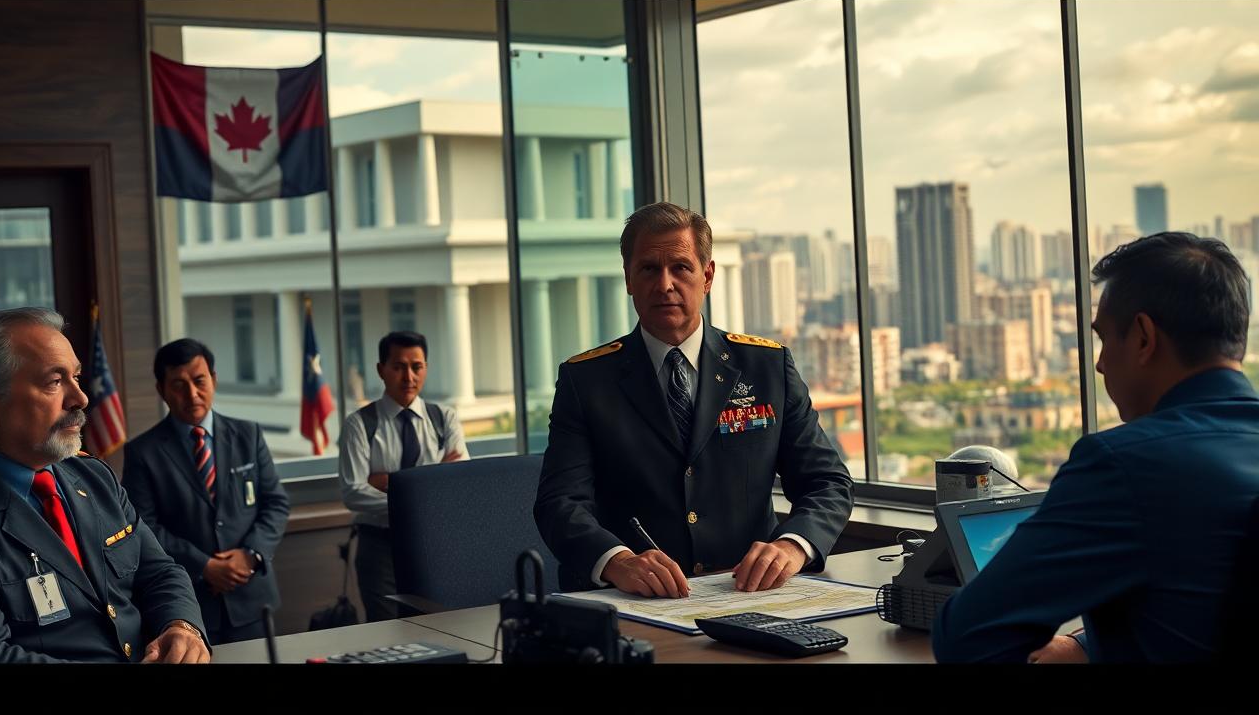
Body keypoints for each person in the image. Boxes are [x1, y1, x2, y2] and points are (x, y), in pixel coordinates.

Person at [933, 232, 1259, 663]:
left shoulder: (1126, 465)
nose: (1101, 363)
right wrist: (1085, 644)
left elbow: (968, 637)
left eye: (1104, 339)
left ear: (1143, 337)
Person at [534, 202, 854, 597]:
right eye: (649, 268)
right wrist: (617, 561)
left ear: (707, 276)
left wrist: (792, 546)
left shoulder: (766, 367)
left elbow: (827, 483)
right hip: (632, 600)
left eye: (680, 268)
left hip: (744, 592)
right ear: (628, 279)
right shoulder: (586, 380)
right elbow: (559, 503)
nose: (664, 284)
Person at [0, 309, 208, 662]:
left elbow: (160, 571)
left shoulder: (91, 475)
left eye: (77, 377)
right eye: (54, 382)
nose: (80, 399)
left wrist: (181, 627)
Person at [122, 338, 290, 645]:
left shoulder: (247, 435)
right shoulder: (142, 453)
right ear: (162, 390)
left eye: (200, 381)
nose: (192, 394)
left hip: (251, 596)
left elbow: (275, 504)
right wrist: (205, 566)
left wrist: (250, 555)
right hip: (189, 604)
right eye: (178, 385)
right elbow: (143, 527)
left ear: (213, 379)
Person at [338, 331, 468, 621]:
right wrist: (431, 481)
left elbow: (459, 484)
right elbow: (353, 491)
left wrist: (392, 483)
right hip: (379, 545)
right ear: (381, 370)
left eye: (416, 366)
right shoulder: (360, 424)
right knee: (387, 630)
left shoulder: (444, 418)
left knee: (439, 625)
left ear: (426, 368)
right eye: (398, 367)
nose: (408, 376)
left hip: (434, 541)